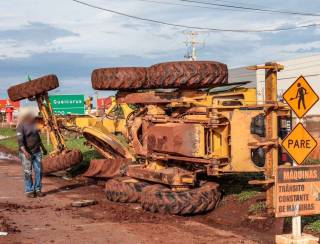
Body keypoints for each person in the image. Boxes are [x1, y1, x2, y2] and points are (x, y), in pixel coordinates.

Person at [16, 108, 47, 198]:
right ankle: (29, 190)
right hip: (26, 153)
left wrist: (43, 148)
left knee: (39, 171)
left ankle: (38, 190)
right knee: (27, 172)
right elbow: (20, 141)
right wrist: (25, 152)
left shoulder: (33, 125)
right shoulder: (20, 126)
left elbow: (38, 138)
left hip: (37, 152)